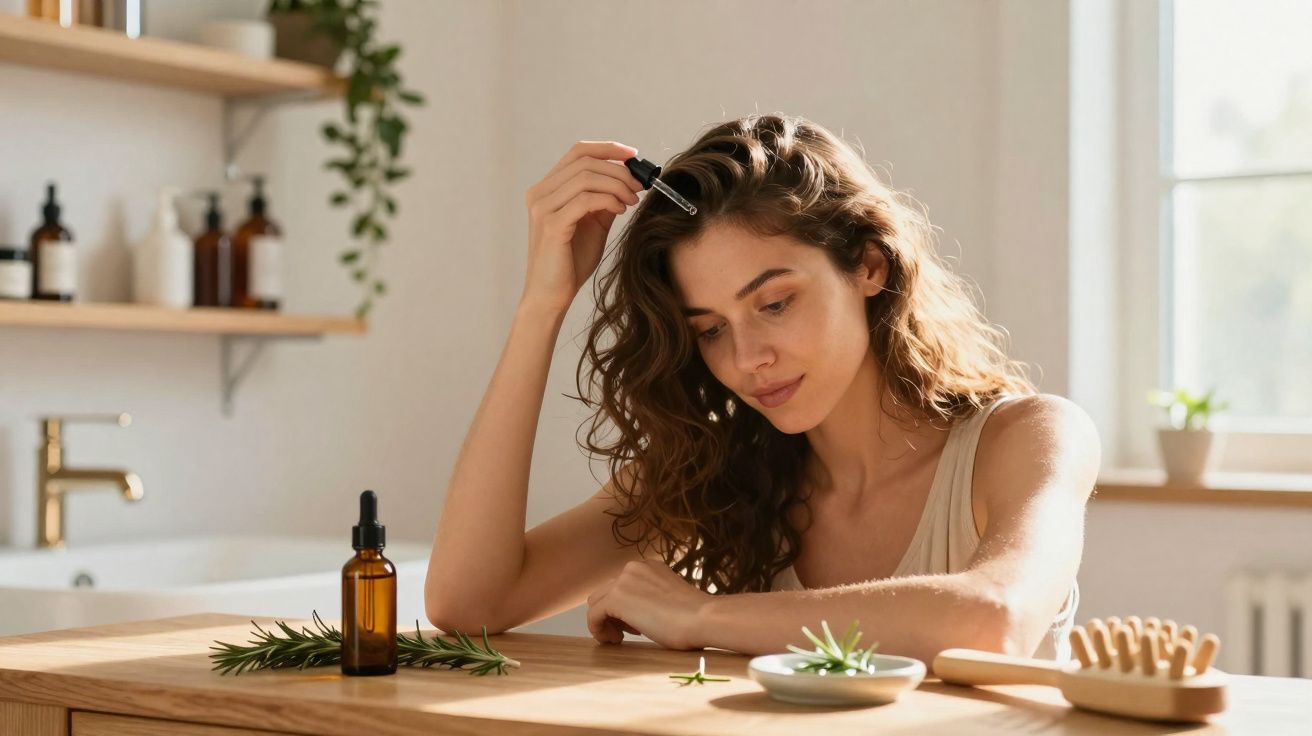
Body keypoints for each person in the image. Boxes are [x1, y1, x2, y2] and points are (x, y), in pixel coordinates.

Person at [426, 113, 1099, 665]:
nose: (747, 359)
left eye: (774, 303)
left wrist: (707, 616)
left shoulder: (1030, 437)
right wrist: (542, 305)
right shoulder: (714, 472)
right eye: (712, 329)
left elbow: (994, 621)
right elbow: (469, 604)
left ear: (869, 265)